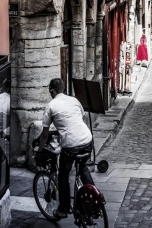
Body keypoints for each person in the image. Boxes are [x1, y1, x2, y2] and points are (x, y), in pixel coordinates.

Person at [37, 78, 95, 219]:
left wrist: (40, 149)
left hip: (71, 145)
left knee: (63, 175)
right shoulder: (74, 100)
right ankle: (93, 197)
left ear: (52, 91)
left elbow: (44, 134)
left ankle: (63, 209)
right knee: (82, 168)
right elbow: (78, 119)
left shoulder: (51, 105)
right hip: (87, 139)